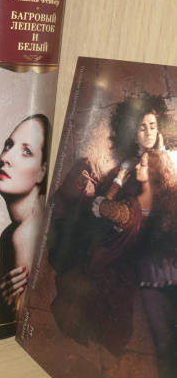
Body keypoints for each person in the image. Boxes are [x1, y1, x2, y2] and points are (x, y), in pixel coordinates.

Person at [92, 149, 177, 377]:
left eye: (143, 164)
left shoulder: (131, 208)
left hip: (150, 277)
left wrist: (120, 176)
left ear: (154, 172)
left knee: (163, 342)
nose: (138, 167)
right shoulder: (167, 202)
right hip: (159, 275)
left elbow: (99, 206)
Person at [0, 114, 49, 339]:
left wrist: (3, 308)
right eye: (8, 145)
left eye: (26, 151)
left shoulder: (24, 234)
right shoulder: (14, 232)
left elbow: (21, 331)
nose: (6, 158)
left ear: (42, 172)